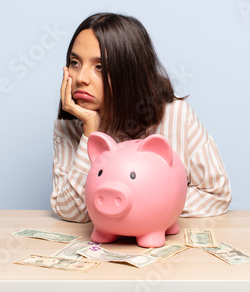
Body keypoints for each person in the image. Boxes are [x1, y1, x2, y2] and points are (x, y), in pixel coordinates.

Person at [51, 12, 231, 223]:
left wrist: (138, 208)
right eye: (75, 63)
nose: (81, 78)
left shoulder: (176, 116)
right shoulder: (69, 126)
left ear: (129, 72)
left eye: (99, 67)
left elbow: (217, 195)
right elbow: (70, 212)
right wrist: (90, 132)